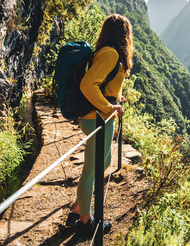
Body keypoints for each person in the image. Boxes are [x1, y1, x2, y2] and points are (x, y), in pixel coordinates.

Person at [66, 13, 134, 235]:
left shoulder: (107, 53)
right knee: (92, 169)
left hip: (102, 117)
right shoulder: (110, 54)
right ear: (124, 34)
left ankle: (78, 209)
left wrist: (114, 98)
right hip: (97, 119)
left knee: (101, 164)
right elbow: (88, 85)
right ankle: (85, 223)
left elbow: (103, 84)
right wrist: (108, 107)